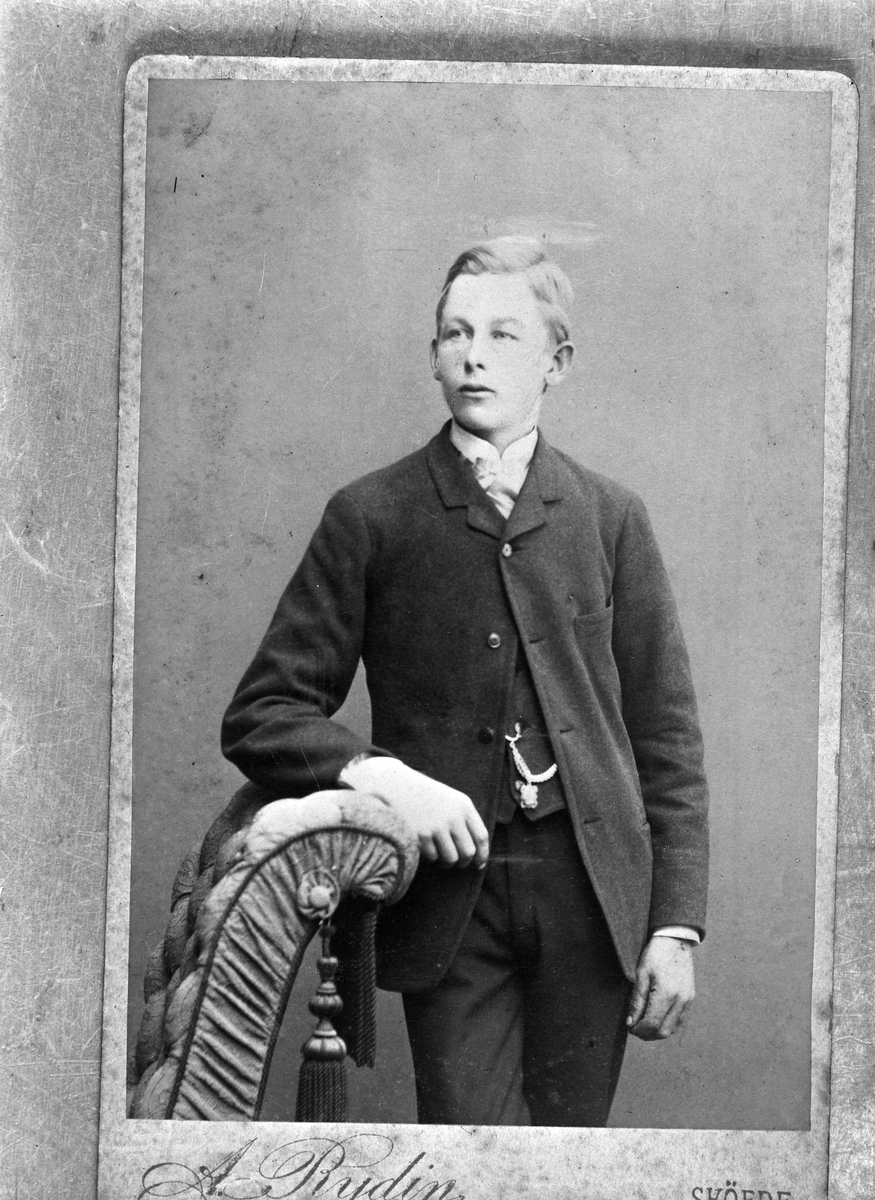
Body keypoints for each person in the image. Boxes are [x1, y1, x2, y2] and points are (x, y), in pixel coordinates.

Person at [221, 238, 709, 1127]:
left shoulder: (610, 517)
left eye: (502, 335)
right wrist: (385, 779)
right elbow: (263, 712)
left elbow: (665, 738)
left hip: (593, 899)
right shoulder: (372, 515)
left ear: (556, 362)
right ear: (434, 355)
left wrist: (674, 925)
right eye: (455, 333)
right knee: (465, 1156)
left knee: (570, 1168)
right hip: (449, 899)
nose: (473, 355)